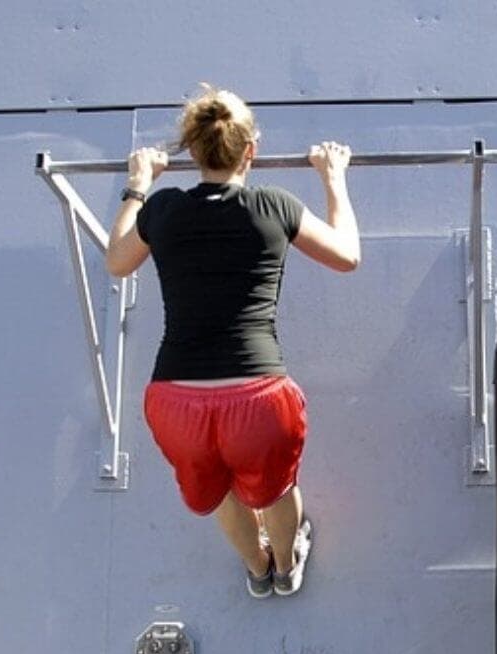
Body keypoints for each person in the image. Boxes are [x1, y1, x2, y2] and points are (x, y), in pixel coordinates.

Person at [105, 85, 360, 598]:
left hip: (177, 401)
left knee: (221, 490)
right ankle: (286, 566)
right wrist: (334, 180)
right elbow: (346, 255)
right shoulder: (273, 206)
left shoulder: (163, 210)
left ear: (193, 151)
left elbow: (117, 261)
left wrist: (138, 185)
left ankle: (256, 568)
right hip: (258, 400)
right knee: (276, 489)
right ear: (251, 150)